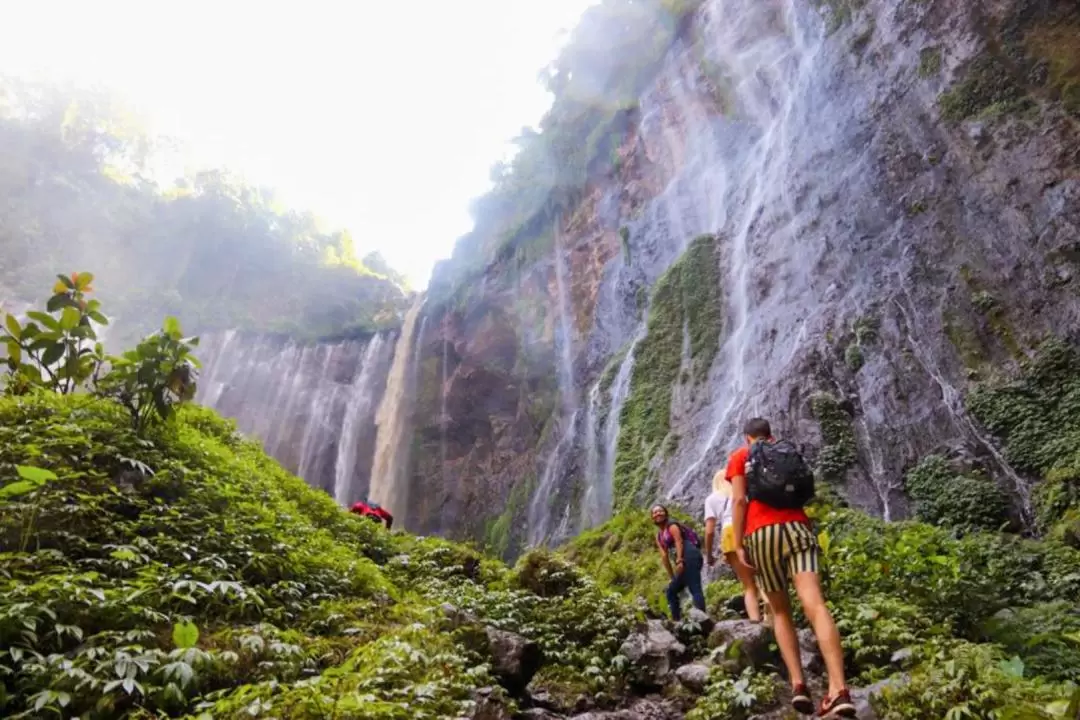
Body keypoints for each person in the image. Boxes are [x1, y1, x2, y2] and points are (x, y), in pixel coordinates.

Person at [727, 418, 856, 718]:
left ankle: (798, 685)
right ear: (769, 435)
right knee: (815, 604)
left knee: (780, 610)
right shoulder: (785, 451)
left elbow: (737, 500)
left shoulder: (740, 456)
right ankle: (840, 690)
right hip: (797, 529)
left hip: (761, 535)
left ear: (747, 437)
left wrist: (739, 543)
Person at [704, 469, 765, 624]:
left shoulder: (712, 499)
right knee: (765, 577)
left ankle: (755, 622)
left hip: (730, 533)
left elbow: (709, 531)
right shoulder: (743, 491)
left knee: (748, 585)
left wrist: (709, 555)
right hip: (751, 529)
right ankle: (773, 613)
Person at [651, 504, 706, 622]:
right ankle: (677, 622)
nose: (658, 514)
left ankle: (703, 621)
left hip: (690, 555)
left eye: (660, 511)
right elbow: (664, 556)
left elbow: (678, 541)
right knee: (671, 591)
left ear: (666, 513)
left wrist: (680, 560)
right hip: (680, 561)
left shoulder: (672, 525)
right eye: (655, 513)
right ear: (652, 518)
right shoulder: (659, 536)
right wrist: (672, 576)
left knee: (694, 587)